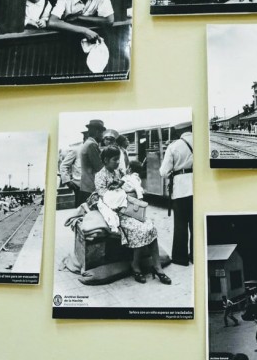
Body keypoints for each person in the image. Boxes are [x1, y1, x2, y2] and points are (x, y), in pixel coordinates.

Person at [95, 146, 171, 285]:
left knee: (151, 226)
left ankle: (158, 267)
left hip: (129, 207)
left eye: (118, 159)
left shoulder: (119, 172)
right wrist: (120, 191)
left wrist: (124, 187)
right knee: (139, 229)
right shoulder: (100, 176)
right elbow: (105, 198)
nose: (118, 162)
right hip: (118, 212)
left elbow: (129, 184)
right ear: (106, 160)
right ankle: (135, 265)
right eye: (114, 160)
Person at [159, 120, 193, 266]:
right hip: (199, 188)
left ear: (179, 132)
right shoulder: (203, 142)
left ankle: (181, 258)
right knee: (196, 224)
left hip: (181, 189)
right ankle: (195, 256)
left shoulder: (174, 146)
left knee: (180, 224)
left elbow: (164, 172)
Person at [79, 119, 106, 204]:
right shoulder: (92, 145)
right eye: (102, 133)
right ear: (97, 132)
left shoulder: (87, 143)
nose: (102, 136)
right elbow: (99, 167)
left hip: (86, 185)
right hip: (91, 187)